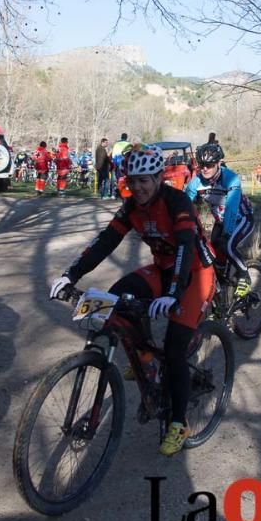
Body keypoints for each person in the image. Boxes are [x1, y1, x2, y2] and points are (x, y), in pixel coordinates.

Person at [49, 144, 216, 456]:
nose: (137, 186)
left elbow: (185, 247)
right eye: (132, 180)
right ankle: (146, 357)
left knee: (176, 348)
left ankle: (179, 423)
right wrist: (71, 275)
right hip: (164, 269)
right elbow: (105, 242)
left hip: (194, 273)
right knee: (116, 298)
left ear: (157, 178)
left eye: (144, 180)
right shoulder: (131, 207)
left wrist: (173, 293)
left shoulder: (177, 202)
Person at [185, 142, 254, 297]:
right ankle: (222, 289)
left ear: (218, 163)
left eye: (209, 165)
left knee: (227, 245)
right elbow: (183, 206)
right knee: (213, 254)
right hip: (220, 221)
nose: (204, 169)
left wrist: (227, 232)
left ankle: (244, 275)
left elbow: (231, 208)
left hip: (241, 218)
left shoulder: (230, 178)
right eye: (202, 164)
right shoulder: (196, 182)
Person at [110, 132, 131, 199]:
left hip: (118, 164)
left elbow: (113, 155)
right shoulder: (129, 144)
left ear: (121, 137)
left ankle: (114, 194)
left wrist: (114, 163)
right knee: (126, 178)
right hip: (126, 164)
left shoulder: (117, 144)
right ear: (126, 137)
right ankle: (126, 193)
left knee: (117, 179)